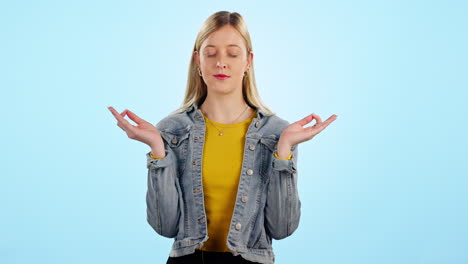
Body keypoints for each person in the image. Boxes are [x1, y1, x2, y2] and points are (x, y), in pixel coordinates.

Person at [108, 11, 337, 264]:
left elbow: (282, 229)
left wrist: (284, 150)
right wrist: (157, 150)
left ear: (248, 61)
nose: (221, 62)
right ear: (197, 60)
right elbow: (165, 227)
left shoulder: (278, 133)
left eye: (233, 53)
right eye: (211, 53)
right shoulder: (172, 130)